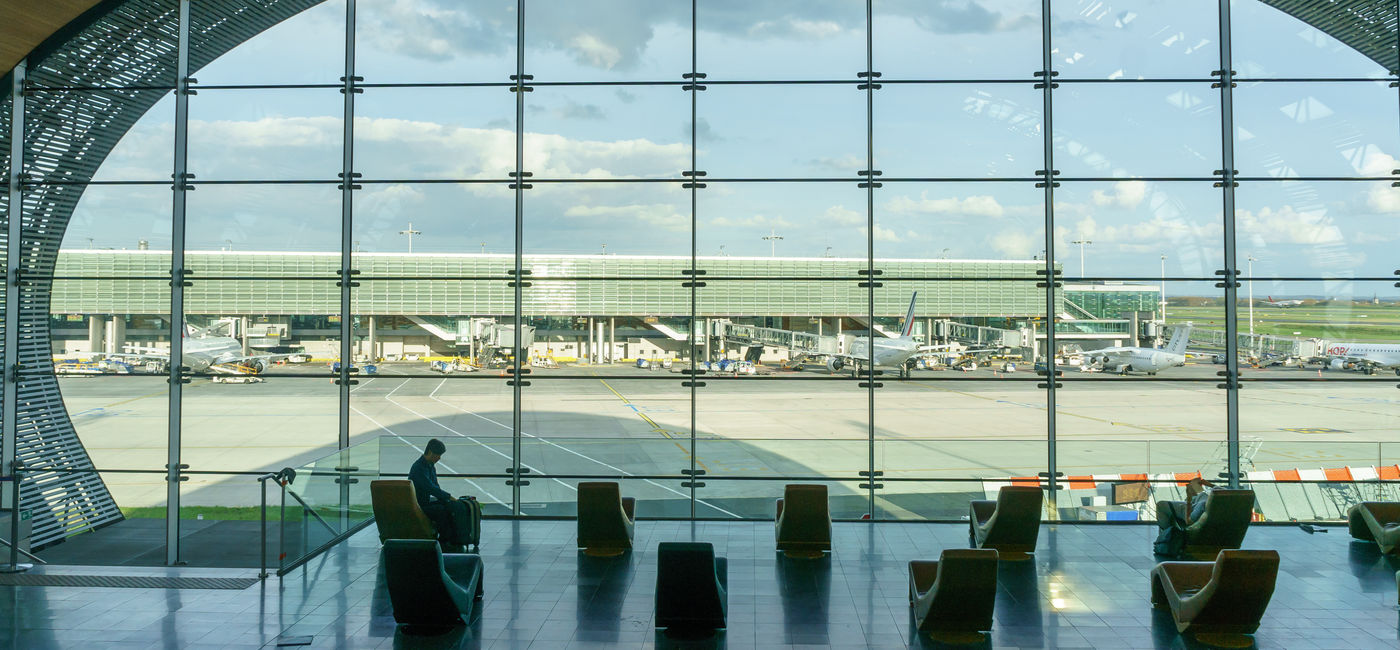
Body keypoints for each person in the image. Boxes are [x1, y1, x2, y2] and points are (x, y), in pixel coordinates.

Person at [409, 438, 470, 547]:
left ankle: (455, 537)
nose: (439, 458)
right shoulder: (419, 468)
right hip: (418, 504)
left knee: (447, 505)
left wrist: (447, 500)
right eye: (438, 455)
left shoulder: (430, 466)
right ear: (431, 453)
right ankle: (444, 540)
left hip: (424, 502)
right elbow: (431, 488)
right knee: (440, 510)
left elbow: (436, 487)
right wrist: (449, 497)